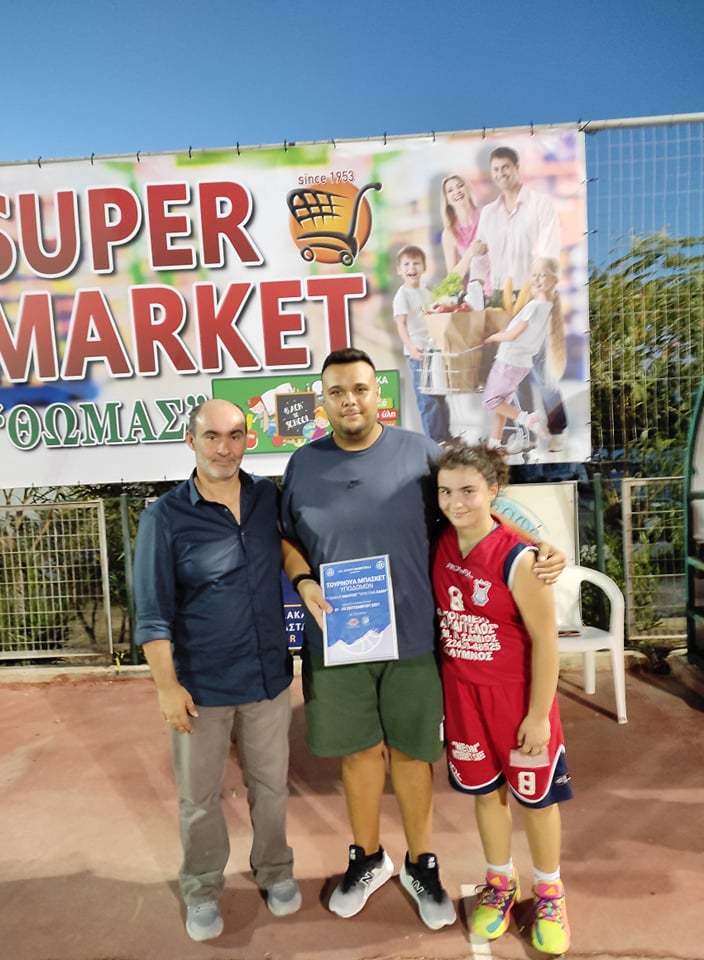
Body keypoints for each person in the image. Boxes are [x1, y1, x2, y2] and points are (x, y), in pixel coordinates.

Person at [279, 347, 566, 932]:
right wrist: (304, 580)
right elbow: (287, 538)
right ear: (323, 400)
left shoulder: (419, 454)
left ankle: (420, 863)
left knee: (411, 754)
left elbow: (475, 503)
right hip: (340, 639)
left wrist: (536, 542)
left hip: (413, 637)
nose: (349, 401)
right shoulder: (302, 465)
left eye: (360, 389)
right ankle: (367, 858)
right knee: (359, 754)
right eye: (336, 392)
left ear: (377, 394)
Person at [133, 398, 301, 943]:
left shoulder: (266, 498)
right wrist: (166, 688)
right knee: (199, 798)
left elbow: (287, 548)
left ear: (248, 440)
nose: (224, 448)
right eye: (212, 436)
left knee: (271, 787)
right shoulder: (164, 518)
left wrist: (305, 581)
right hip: (201, 686)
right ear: (191, 441)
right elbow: (152, 612)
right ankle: (202, 887)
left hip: (268, 678)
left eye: (235, 436)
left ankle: (274, 870)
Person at [432, 441, 571, 955]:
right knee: (485, 793)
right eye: (446, 491)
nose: (456, 502)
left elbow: (546, 642)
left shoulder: (519, 559)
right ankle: (499, 882)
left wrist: (538, 715)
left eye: (468, 490)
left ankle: (550, 892)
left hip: (517, 699)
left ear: (493, 490)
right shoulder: (441, 540)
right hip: (463, 696)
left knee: (536, 801)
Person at [476, 147, 567, 450]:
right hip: (501, 296)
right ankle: (526, 431)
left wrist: (540, 292)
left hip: (533, 292)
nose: (501, 174)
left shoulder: (539, 205)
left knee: (540, 364)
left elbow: (549, 251)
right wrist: (477, 288)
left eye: (505, 167)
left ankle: (557, 428)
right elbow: (482, 256)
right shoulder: (489, 214)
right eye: (496, 169)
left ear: (517, 168)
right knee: (512, 368)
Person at [482, 257, 566, 450]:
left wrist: (493, 337)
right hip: (521, 363)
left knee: (491, 400)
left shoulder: (533, 307)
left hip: (508, 361)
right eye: (534, 275)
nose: (536, 279)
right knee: (503, 403)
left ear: (554, 280)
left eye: (542, 275)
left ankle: (528, 420)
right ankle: (494, 445)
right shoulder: (547, 307)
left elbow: (512, 335)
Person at [393, 244, 451, 443]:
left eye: (416, 263)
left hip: (433, 351)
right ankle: (435, 440)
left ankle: (445, 436)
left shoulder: (426, 291)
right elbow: (401, 324)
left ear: (424, 267)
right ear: (399, 270)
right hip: (417, 353)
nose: (412, 268)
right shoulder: (402, 295)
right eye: (406, 264)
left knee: (440, 395)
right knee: (427, 399)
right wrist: (411, 347)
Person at [440, 174, 491, 294]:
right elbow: (452, 281)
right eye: (450, 190)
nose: (457, 191)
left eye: (460, 186)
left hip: (502, 284)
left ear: (467, 189)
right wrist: (470, 253)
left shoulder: (486, 215)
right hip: (479, 294)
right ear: (447, 200)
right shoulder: (449, 234)